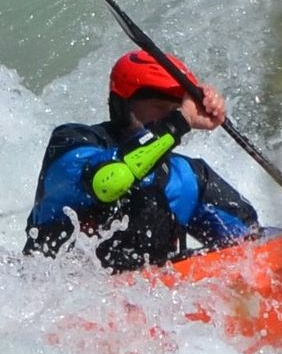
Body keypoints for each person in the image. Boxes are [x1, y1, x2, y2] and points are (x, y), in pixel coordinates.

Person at [26, 50, 259, 272]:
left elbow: (251, 242)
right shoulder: (73, 143)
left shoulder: (187, 176)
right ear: (121, 105)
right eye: (159, 107)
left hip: (145, 303)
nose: (168, 117)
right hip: (56, 299)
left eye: (174, 109)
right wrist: (181, 120)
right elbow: (108, 183)